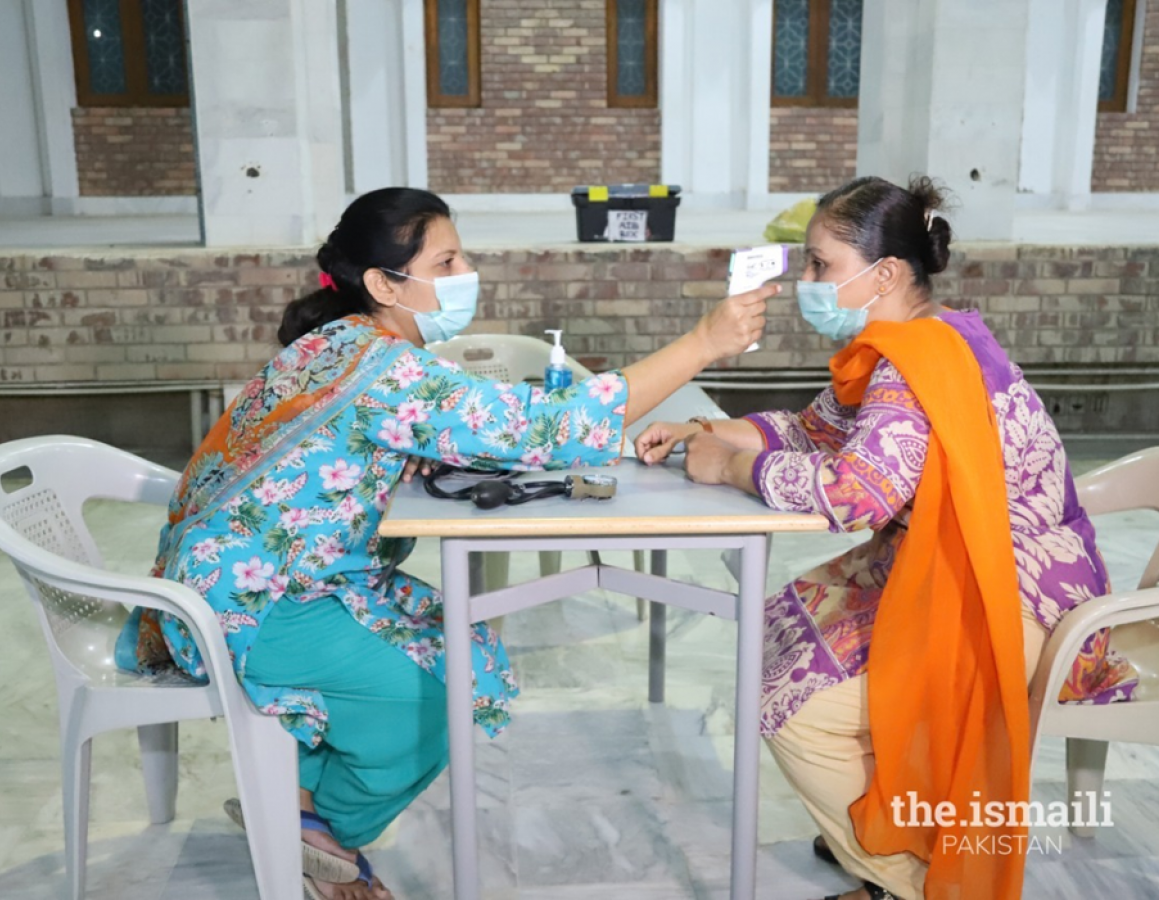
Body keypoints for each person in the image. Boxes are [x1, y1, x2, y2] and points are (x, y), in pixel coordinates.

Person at [118, 187, 774, 900]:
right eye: (447, 258)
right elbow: (540, 426)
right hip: (254, 599)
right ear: (382, 284)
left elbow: (380, 431)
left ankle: (296, 802)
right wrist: (704, 341)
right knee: (443, 690)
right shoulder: (382, 367)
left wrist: (418, 449)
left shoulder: (338, 342)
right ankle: (316, 829)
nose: (467, 270)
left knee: (460, 641)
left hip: (259, 573)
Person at [636, 176, 1136, 900]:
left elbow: (856, 492)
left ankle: (904, 878)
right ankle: (881, 822)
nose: (805, 282)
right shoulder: (928, 338)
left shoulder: (914, 367)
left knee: (788, 706)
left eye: (819, 266)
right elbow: (816, 433)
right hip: (969, 567)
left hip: (1012, 600)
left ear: (888, 273)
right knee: (784, 624)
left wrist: (737, 468)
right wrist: (705, 433)